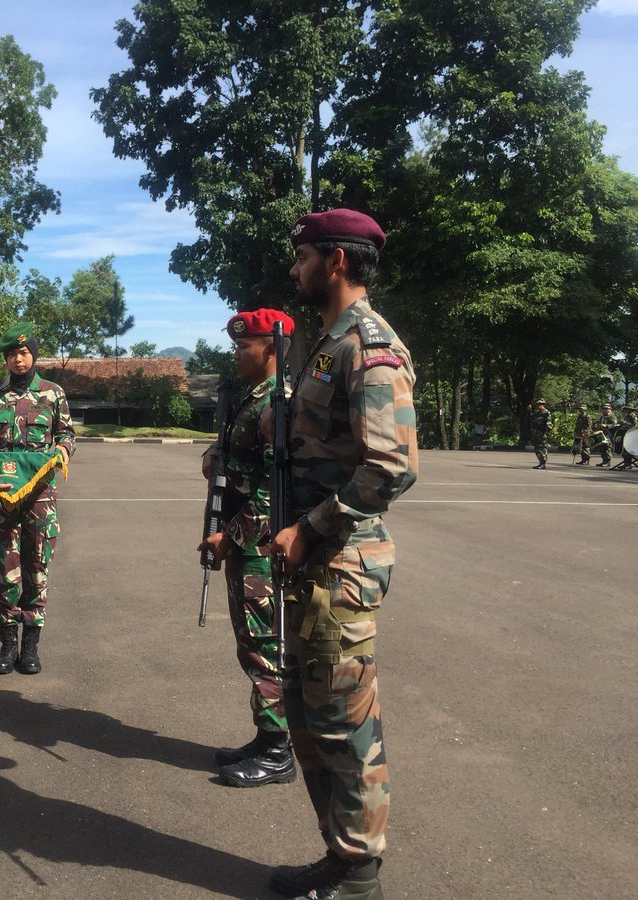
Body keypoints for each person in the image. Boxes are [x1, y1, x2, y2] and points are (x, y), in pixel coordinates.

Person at [268, 209, 418, 900]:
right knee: (310, 721)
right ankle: (340, 853)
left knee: (346, 725)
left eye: (301, 257)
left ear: (335, 261)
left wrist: (310, 527)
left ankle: (361, 874)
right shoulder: (322, 344)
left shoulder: (370, 343)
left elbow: (390, 466)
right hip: (313, 562)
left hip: (342, 560)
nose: (293, 269)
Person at [199, 308, 297, 789]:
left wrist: (228, 537)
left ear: (272, 348)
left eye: (245, 346)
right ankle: (265, 735)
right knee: (251, 646)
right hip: (245, 546)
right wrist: (216, 457)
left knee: (266, 646)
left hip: (259, 547)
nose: (237, 354)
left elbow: (276, 490)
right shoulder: (254, 399)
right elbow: (245, 465)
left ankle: (279, 751)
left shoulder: (278, 404)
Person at [0, 323, 75, 676]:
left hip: (39, 495)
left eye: (23, 353)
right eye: (12, 354)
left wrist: (61, 449)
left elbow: (68, 434)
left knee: (36, 568)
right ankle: (7, 645)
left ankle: (31, 647)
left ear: (34, 355)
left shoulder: (53, 393)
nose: (18, 359)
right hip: (0, 494)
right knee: (5, 571)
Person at [530, 399, 551, 469]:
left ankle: (543, 463)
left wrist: (545, 433)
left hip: (542, 433)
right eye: (538, 404)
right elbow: (532, 418)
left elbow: (549, 424)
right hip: (536, 433)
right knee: (537, 448)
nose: (539, 405)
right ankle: (540, 462)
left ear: (543, 405)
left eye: (541, 404)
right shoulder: (537, 413)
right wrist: (530, 410)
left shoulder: (546, 413)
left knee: (543, 448)